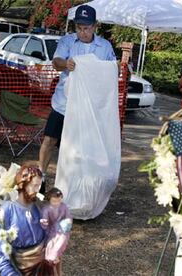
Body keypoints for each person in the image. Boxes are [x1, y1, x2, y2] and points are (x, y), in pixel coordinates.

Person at [38, 5, 116, 193]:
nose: (83, 32)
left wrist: (119, 69)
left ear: (95, 26)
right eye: (79, 27)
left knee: (81, 149)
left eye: (87, 28)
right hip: (63, 104)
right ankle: (40, 179)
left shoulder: (105, 47)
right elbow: (56, 63)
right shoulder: (67, 42)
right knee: (49, 141)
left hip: (89, 109)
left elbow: (114, 70)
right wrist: (66, 63)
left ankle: (79, 185)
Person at [0, 162, 57, 276]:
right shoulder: (6, 212)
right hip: (19, 270)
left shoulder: (39, 207)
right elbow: (0, 257)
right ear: (23, 184)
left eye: (39, 186)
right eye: (35, 186)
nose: (38, 190)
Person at [40, 188, 73, 265]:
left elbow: (68, 216)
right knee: (50, 243)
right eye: (54, 201)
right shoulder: (46, 209)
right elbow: (44, 220)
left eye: (59, 200)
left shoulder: (63, 206)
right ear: (49, 200)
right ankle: (50, 257)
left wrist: (68, 222)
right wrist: (44, 222)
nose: (57, 203)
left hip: (62, 228)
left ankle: (55, 255)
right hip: (51, 229)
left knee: (61, 240)